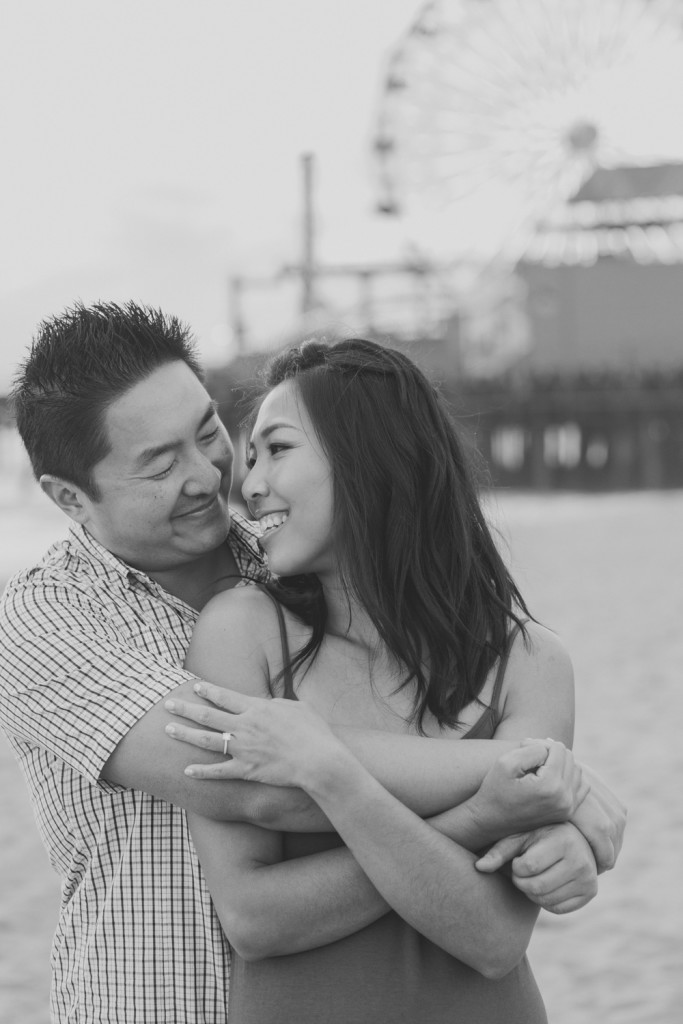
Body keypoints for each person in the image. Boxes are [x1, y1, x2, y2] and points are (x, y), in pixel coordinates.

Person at [0, 304, 624, 1024]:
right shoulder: (43, 623)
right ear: (70, 498)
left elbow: (493, 926)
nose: (213, 475)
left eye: (208, 434)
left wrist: (547, 815)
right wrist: (535, 780)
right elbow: (256, 788)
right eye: (161, 464)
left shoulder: (286, 567)